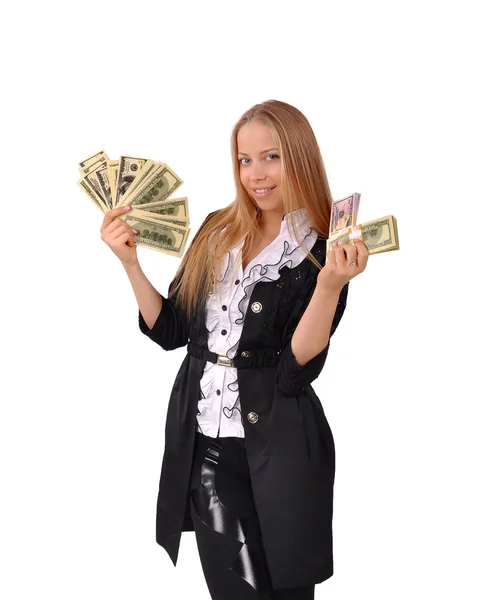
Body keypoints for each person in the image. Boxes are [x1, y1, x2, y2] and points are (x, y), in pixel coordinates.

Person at [100, 99, 369, 600]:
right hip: (211, 453)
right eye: (245, 160)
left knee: (289, 592)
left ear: (300, 158)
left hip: (287, 448)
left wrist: (329, 285)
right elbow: (171, 331)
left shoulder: (326, 247)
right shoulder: (215, 231)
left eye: (271, 158)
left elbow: (294, 372)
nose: (256, 175)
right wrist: (131, 265)